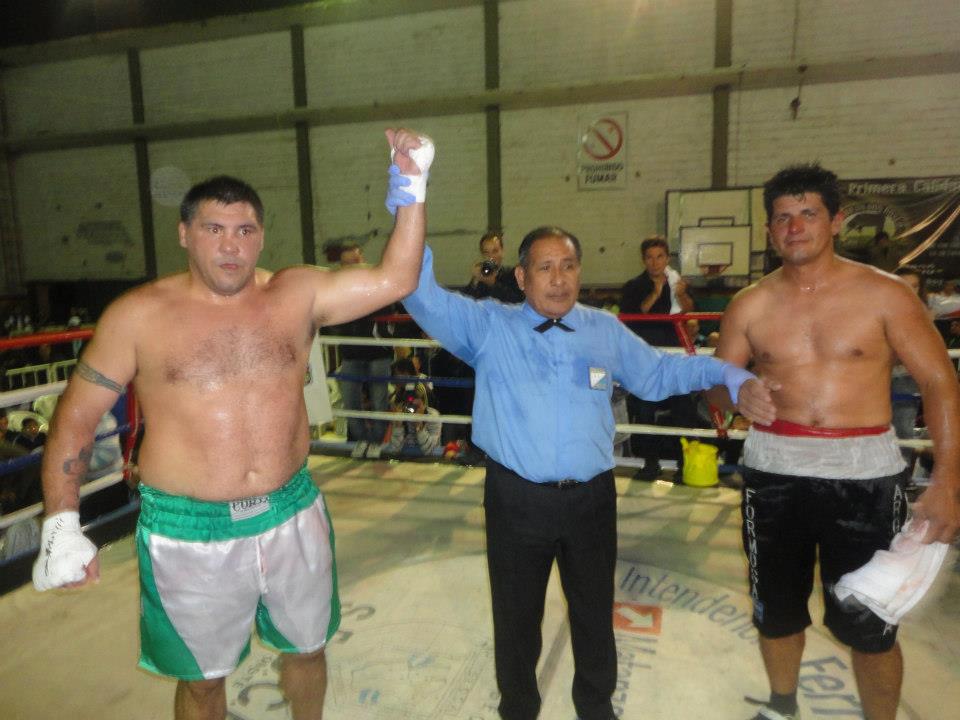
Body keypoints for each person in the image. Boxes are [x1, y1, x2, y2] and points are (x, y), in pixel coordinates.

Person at [31, 127, 433, 720]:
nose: (230, 246)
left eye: (244, 231)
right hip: (188, 530)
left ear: (261, 237)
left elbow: (398, 278)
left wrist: (412, 183)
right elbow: (77, 416)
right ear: (184, 234)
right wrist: (62, 522)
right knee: (202, 681)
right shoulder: (138, 316)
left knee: (308, 648)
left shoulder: (295, 293)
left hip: (291, 510)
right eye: (214, 229)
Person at [401, 223, 776, 720]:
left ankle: (596, 706)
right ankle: (518, 708)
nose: (558, 279)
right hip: (516, 500)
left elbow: (659, 374)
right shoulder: (489, 325)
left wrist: (725, 372)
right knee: (515, 617)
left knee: (595, 611)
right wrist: (410, 203)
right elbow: (421, 295)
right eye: (545, 268)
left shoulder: (604, 330)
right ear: (522, 276)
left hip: (591, 501)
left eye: (569, 266)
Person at [706, 164, 960, 720]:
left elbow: (940, 381)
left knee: (870, 621)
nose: (795, 227)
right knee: (775, 609)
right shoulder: (749, 303)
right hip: (774, 471)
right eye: (782, 217)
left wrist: (947, 484)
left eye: (808, 214)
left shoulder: (886, 294)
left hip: (864, 476)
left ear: (836, 221)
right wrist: (737, 394)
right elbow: (716, 390)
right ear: (768, 229)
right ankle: (782, 705)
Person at [620, 235, 695, 479]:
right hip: (646, 359)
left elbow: (688, 310)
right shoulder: (633, 286)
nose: (655, 262)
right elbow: (633, 314)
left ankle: (684, 465)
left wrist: (680, 294)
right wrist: (656, 292)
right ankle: (650, 464)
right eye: (650, 257)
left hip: (674, 357)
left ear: (667, 258)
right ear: (643, 260)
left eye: (659, 256)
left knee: (683, 410)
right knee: (644, 412)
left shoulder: (677, 282)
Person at [326, 242, 396, 459]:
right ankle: (361, 439)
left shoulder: (378, 281)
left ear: (362, 259)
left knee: (379, 399)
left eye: (355, 261)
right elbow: (331, 316)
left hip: (378, 351)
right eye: (347, 263)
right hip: (351, 351)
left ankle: (376, 441)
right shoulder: (337, 289)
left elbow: (390, 308)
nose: (352, 267)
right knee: (350, 400)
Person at [380, 358, 441, 456]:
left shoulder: (431, 412)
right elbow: (393, 449)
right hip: (402, 453)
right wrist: (398, 425)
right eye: (396, 376)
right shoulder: (394, 401)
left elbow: (429, 451)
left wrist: (419, 425)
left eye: (403, 375)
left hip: (425, 450)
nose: (400, 379)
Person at [463, 231, 525, 303]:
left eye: (495, 251)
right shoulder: (481, 275)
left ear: (502, 252)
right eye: (486, 252)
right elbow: (466, 301)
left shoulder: (512, 274)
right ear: (482, 255)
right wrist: (474, 282)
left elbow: (516, 300)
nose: (491, 256)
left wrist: (493, 283)